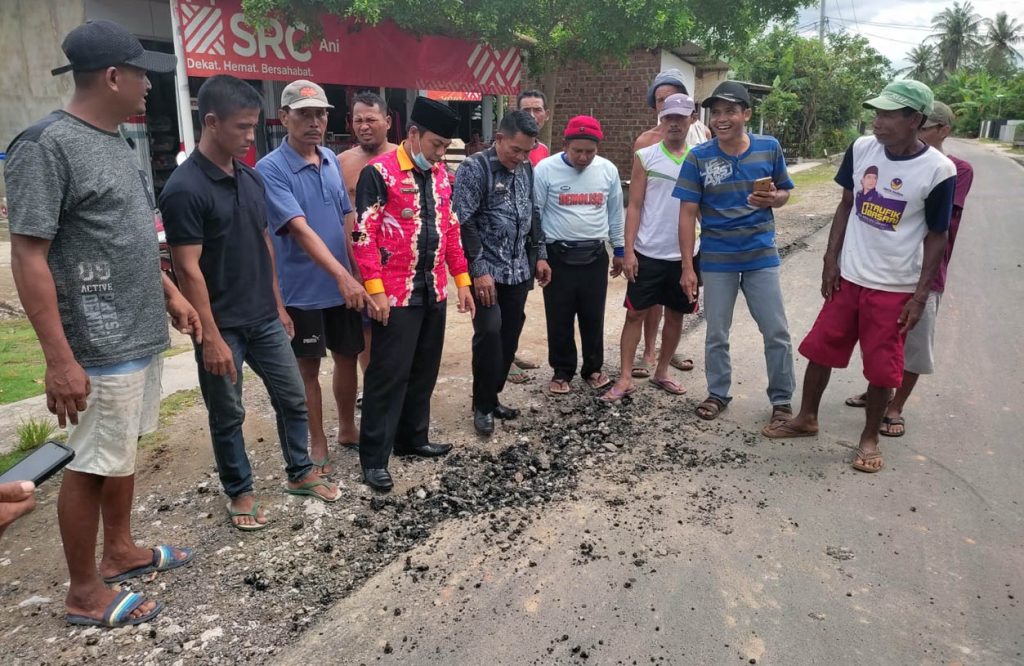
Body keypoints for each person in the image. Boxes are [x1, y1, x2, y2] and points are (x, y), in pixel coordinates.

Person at [6, 19, 198, 628]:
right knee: (89, 464)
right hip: (95, 341)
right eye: (142, 75)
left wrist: (169, 292)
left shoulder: (115, 142)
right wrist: (60, 358)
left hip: (137, 332)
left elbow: (131, 236)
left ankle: (119, 551)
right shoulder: (46, 146)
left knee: (119, 454)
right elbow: (29, 254)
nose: (149, 87)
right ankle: (83, 592)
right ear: (114, 76)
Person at [161, 75, 341, 531]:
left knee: (294, 398)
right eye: (241, 128)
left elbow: (265, 243)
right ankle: (240, 492)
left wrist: (278, 304)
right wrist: (212, 338)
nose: (249, 137)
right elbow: (188, 269)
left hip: (263, 316)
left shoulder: (251, 178)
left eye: (253, 127)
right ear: (211, 122)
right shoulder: (184, 188)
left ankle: (299, 472)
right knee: (228, 413)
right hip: (221, 326)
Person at [763, 81, 957, 474]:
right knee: (821, 349)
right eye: (877, 113)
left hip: (894, 287)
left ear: (915, 120)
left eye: (888, 115)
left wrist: (920, 296)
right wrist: (830, 259)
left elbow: (938, 236)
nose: (878, 122)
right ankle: (807, 418)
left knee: (883, 367)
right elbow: (847, 203)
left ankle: (869, 437)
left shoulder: (938, 170)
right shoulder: (862, 148)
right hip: (849, 276)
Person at [353, 97, 475, 492]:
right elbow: (362, 235)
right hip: (394, 295)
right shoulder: (380, 174)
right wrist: (375, 291)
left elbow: (451, 230)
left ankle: (413, 439)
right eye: (436, 144)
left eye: (445, 147)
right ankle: (374, 458)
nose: (441, 153)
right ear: (413, 134)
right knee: (387, 376)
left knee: (424, 369)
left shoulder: (441, 176)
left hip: (432, 290)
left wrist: (463, 282)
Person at [256, 80, 373, 475]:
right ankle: (316, 440)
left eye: (320, 113)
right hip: (301, 289)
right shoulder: (270, 170)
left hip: (342, 285)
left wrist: (358, 266)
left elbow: (347, 217)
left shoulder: (329, 160)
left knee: (348, 356)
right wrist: (343, 275)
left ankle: (347, 428)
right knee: (308, 368)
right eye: (304, 114)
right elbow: (299, 229)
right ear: (284, 116)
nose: (314, 122)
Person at [843, 102, 973, 437]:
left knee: (911, 344)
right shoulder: (882, 154)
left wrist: (921, 289)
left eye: (927, 126)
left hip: (925, 273)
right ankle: (877, 395)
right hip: (880, 272)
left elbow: (936, 228)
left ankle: (896, 406)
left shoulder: (953, 170)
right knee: (880, 346)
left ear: (941, 129)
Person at [673, 80, 797, 426]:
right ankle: (718, 392)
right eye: (717, 112)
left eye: (730, 111)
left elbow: (785, 191)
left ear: (747, 114)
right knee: (716, 332)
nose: (722, 118)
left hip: (760, 255)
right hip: (717, 259)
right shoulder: (699, 157)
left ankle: (782, 400)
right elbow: (686, 213)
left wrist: (775, 199)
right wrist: (688, 266)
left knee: (776, 331)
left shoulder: (769, 148)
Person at [453, 110, 549, 435]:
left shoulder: (527, 169)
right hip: (488, 271)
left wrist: (541, 255)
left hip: (518, 268)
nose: (521, 158)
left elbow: (533, 212)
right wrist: (478, 270)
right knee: (489, 332)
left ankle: (492, 396)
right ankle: (481, 405)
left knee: (510, 334)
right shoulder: (474, 168)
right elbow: (463, 220)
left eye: (527, 151)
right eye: (515, 150)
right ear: (500, 139)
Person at [605, 94, 698, 402]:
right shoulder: (646, 156)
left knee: (676, 314)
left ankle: (661, 372)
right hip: (648, 251)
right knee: (635, 314)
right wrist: (628, 250)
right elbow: (634, 206)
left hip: (685, 255)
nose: (674, 123)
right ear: (662, 119)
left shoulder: (699, 158)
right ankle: (626, 377)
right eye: (668, 117)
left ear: (692, 120)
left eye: (680, 118)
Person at [535, 115, 624, 395]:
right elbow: (535, 214)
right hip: (557, 256)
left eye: (590, 151)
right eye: (578, 151)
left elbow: (615, 213)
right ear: (565, 145)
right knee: (559, 315)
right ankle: (562, 371)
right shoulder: (545, 170)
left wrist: (619, 249)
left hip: (595, 256)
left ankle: (593, 368)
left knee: (592, 315)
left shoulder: (607, 170)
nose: (584, 157)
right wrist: (539, 255)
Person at [632, 69, 693, 378]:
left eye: (672, 99)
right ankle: (648, 349)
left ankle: (669, 353)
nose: (667, 107)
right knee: (648, 300)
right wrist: (628, 247)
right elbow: (638, 200)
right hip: (652, 238)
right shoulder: (645, 143)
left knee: (678, 303)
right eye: (660, 101)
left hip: (685, 240)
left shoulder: (702, 138)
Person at [338, 92, 398, 395]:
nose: (364, 126)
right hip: (357, 264)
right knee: (365, 333)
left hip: (397, 268)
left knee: (396, 333)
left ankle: (395, 390)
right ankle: (373, 389)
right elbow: (343, 217)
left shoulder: (403, 159)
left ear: (386, 121)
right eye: (358, 120)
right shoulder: (341, 162)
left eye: (371, 119)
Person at [517, 89, 551, 167]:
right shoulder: (507, 147)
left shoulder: (543, 149)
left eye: (537, 110)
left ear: (547, 115)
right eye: (526, 110)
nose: (532, 115)